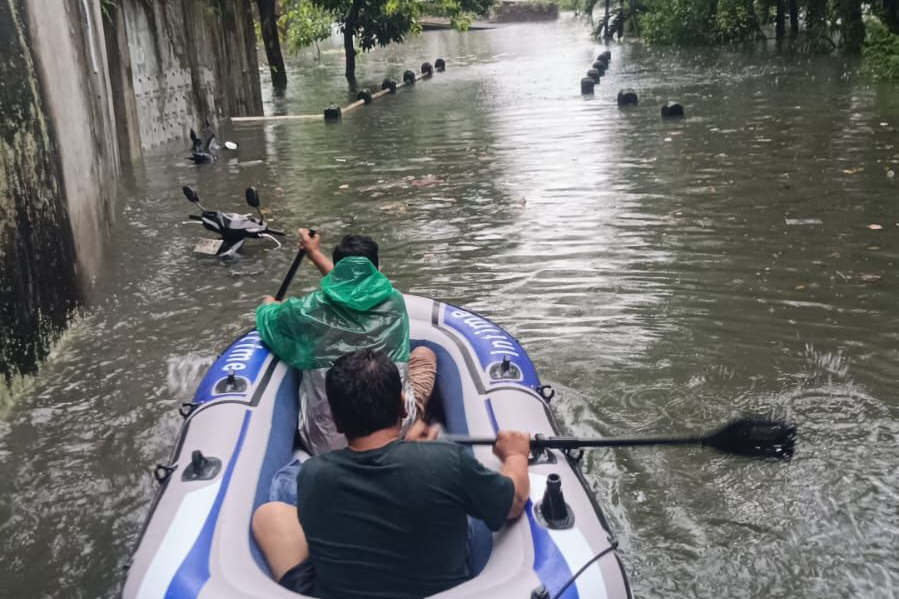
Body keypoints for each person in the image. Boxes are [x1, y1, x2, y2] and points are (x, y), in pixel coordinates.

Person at [252, 349, 531, 599]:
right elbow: (515, 501)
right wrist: (516, 455)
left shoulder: (312, 475)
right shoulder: (447, 461)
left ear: (335, 420)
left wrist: (414, 453)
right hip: (439, 591)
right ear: (402, 404)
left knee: (270, 514)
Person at [256, 230, 437, 454]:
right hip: (397, 432)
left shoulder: (308, 310)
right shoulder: (394, 302)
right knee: (423, 355)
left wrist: (268, 306)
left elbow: (268, 322)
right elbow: (358, 288)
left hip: (324, 441)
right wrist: (313, 253)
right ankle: (421, 418)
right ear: (379, 272)